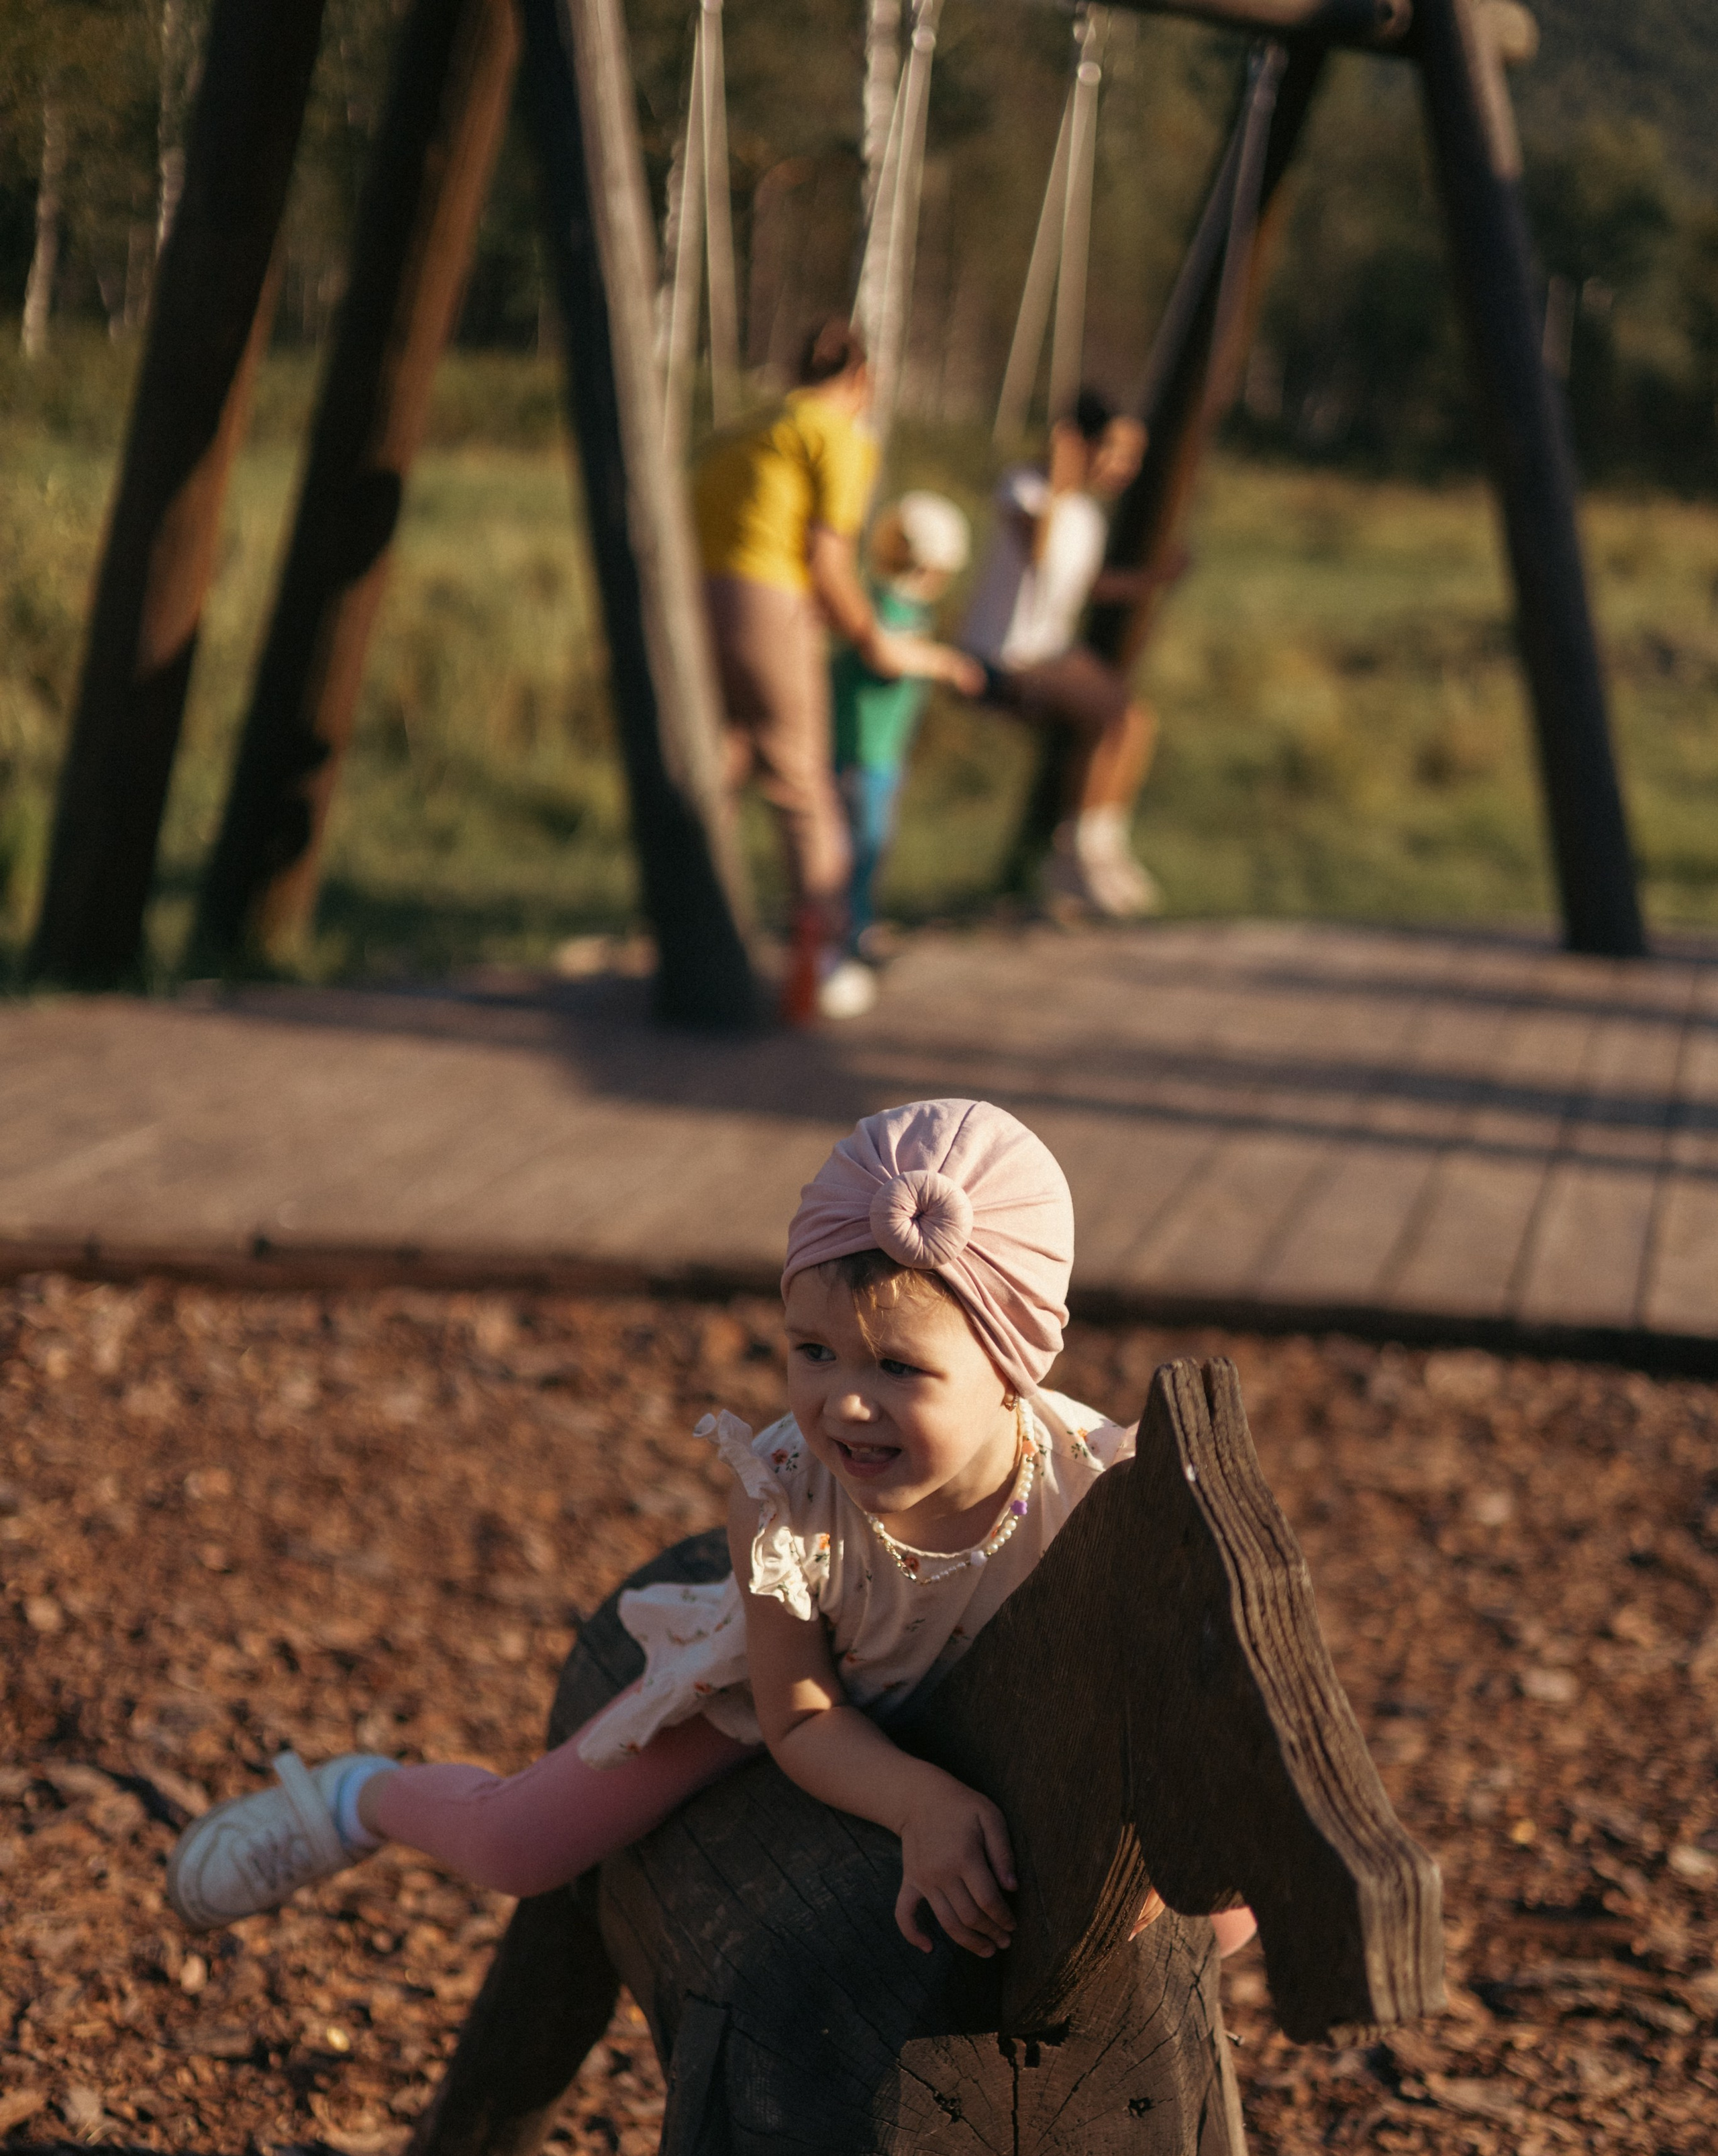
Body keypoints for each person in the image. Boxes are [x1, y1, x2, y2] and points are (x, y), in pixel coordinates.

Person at [166, 1099, 1256, 1967]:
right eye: (813, 1351)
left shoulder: (1100, 1492)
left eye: (899, 1369)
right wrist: (921, 1800)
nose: (844, 1404)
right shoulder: (784, 1499)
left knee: (1222, 1915)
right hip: (832, 1687)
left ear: (1017, 1366)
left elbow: (1187, 1692)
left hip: (1013, 1711)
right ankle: (363, 1796)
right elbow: (801, 1716)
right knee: (524, 1847)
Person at [691, 321, 980, 1024]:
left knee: (720, 768)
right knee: (800, 783)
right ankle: (817, 968)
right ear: (863, 379)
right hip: (769, 601)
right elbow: (826, 563)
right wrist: (870, 636)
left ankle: (694, 936)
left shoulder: (741, 432)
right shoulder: (838, 436)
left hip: (697, 601)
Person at [962, 389, 1162, 920]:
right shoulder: (1025, 489)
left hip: (1047, 650)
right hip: (1004, 657)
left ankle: (1099, 842)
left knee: (1132, 721)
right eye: (1117, 450)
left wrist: (1154, 580)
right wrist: (1059, 474)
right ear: (1081, 444)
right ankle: (1074, 855)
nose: (1126, 466)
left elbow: (1087, 585)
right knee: (1114, 714)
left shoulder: (1088, 515)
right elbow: (1041, 553)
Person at [830, 491, 972, 965]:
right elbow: (888, 654)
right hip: (860, 753)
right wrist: (945, 663)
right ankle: (848, 933)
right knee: (860, 850)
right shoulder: (881, 606)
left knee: (869, 849)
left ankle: (854, 927)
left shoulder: (900, 607)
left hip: (883, 753)